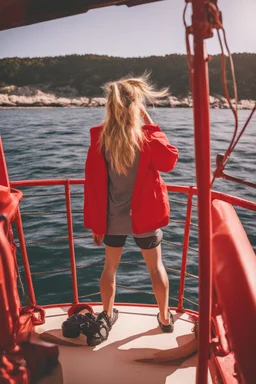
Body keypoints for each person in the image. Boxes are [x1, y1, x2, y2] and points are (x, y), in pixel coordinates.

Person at [83, 75, 178, 345]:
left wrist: (96, 224)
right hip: (144, 219)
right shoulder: (146, 138)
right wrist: (149, 121)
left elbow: (92, 185)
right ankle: (163, 317)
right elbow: (170, 161)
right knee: (155, 268)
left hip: (111, 220)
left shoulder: (100, 140)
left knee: (109, 269)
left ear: (110, 107)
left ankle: (107, 313)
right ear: (136, 106)